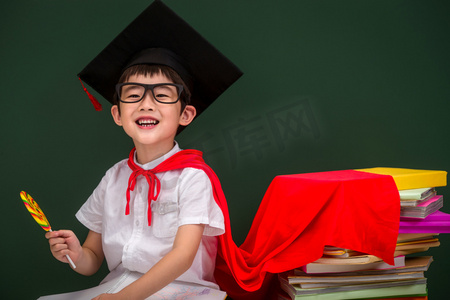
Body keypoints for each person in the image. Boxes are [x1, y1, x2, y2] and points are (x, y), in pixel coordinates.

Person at [45, 1, 242, 299]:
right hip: (117, 286)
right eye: (134, 94)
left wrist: (124, 299)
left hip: (183, 291)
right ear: (118, 115)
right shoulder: (113, 179)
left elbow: (182, 257)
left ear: (185, 115)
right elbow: (92, 260)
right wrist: (74, 254)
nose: (146, 104)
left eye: (162, 95)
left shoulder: (193, 179)